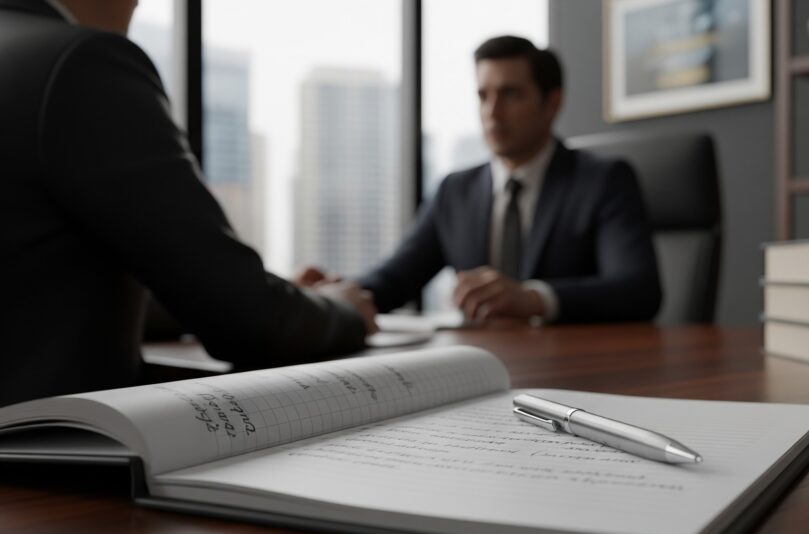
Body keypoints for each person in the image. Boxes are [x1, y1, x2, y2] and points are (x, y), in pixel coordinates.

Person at [0, 0, 376, 407]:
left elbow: (38, 293)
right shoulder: (80, 63)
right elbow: (246, 322)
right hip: (50, 441)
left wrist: (257, 295)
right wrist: (343, 310)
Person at [341, 36, 662, 324]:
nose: (492, 112)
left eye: (510, 94)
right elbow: (393, 280)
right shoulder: (455, 191)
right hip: (479, 361)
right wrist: (332, 296)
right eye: (483, 96)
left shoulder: (603, 181)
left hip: (574, 363)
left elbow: (638, 290)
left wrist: (534, 299)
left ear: (552, 103)